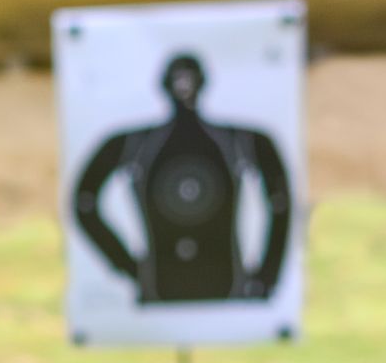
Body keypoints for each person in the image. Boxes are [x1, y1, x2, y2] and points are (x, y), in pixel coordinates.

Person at [71, 52, 294, 304]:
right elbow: (85, 203)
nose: (184, 88)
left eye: (189, 80)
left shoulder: (238, 140)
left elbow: (280, 204)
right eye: (178, 81)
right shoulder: (237, 140)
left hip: (204, 282)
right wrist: (127, 267)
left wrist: (268, 274)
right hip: (174, 283)